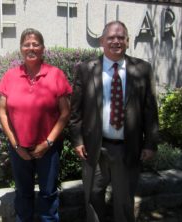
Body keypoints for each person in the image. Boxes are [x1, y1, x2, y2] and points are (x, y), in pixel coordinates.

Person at [69, 21, 159, 222]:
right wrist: (77, 140)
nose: (116, 41)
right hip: (94, 147)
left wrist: (150, 143)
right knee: (93, 196)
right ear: (102, 41)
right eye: (111, 37)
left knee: (124, 201)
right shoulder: (86, 69)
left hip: (127, 148)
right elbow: (76, 110)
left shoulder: (142, 69)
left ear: (127, 41)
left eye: (121, 37)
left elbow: (150, 110)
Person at [0, 28, 72, 222]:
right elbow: (2, 112)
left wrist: (47, 143)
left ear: (43, 48)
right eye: (26, 44)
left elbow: (65, 112)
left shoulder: (55, 74)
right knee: (23, 193)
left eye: (35, 44)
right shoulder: (10, 76)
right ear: (21, 49)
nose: (31, 48)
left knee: (48, 193)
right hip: (18, 148)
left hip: (48, 148)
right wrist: (15, 145)